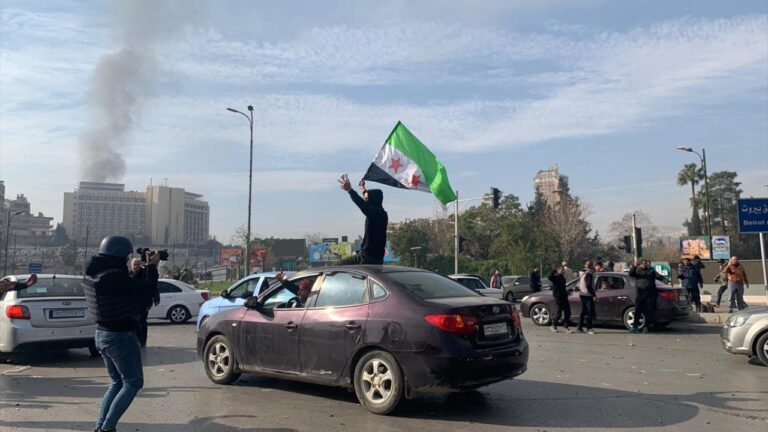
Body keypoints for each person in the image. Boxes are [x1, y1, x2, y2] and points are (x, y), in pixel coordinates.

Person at [82, 236, 161, 432]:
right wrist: (152, 267)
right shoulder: (113, 278)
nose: (127, 260)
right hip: (120, 336)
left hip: (102, 334)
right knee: (133, 382)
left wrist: (142, 269)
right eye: (126, 256)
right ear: (118, 254)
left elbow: (126, 287)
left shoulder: (95, 275)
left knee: (117, 382)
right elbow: (147, 288)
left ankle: (101, 426)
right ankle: (107, 428)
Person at [337, 175, 388, 265]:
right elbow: (367, 200)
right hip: (376, 258)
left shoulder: (375, 213)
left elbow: (361, 204)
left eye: (367, 199)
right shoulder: (381, 213)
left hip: (368, 258)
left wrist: (350, 190)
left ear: (372, 200)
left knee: (337, 267)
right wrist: (362, 188)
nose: (365, 200)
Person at [628, 259, 670, 333]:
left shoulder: (651, 271)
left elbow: (660, 277)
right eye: (642, 263)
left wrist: (667, 281)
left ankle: (646, 327)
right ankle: (635, 327)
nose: (644, 264)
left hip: (650, 294)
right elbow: (631, 274)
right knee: (638, 310)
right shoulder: (637, 270)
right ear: (640, 264)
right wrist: (634, 266)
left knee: (649, 311)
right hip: (640, 293)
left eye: (645, 263)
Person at [129, 257, 159, 348]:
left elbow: (152, 285)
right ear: (131, 265)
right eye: (134, 265)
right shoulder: (129, 274)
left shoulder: (144, 274)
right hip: (131, 304)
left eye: (137, 265)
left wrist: (154, 299)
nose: (135, 267)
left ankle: (142, 341)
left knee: (142, 322)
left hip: (143, 303)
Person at [548, 264, 572, 333]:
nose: (563, 271)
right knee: (559, 313)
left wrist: (567, 292)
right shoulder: (555, 277)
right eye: (561, 270)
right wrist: (554, 270)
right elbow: (549, 277)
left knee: (568, 312)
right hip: (558, 297)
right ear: (558, 270)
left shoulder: (562, 277)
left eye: (563, 270)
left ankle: (566, 327)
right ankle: (553, 325)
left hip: (564, 296)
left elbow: (563, 287)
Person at [576, 260, 596, 334]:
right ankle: (589, 328)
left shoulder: (582, 272)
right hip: (588, 295)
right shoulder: (589, 274)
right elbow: (589, 285)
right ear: (591, 266)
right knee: (589, 312)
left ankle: (579, 327)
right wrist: (593, 295)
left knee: (583, 311)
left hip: (582, 294)